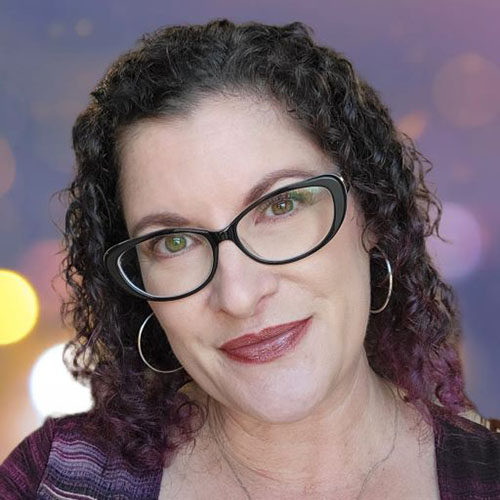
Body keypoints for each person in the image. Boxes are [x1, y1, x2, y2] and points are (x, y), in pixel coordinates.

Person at [1, 18, 499, 500]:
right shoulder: (52, 481)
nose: (237, 296)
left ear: (371, 214)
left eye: (279, 207)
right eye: (174, 241)